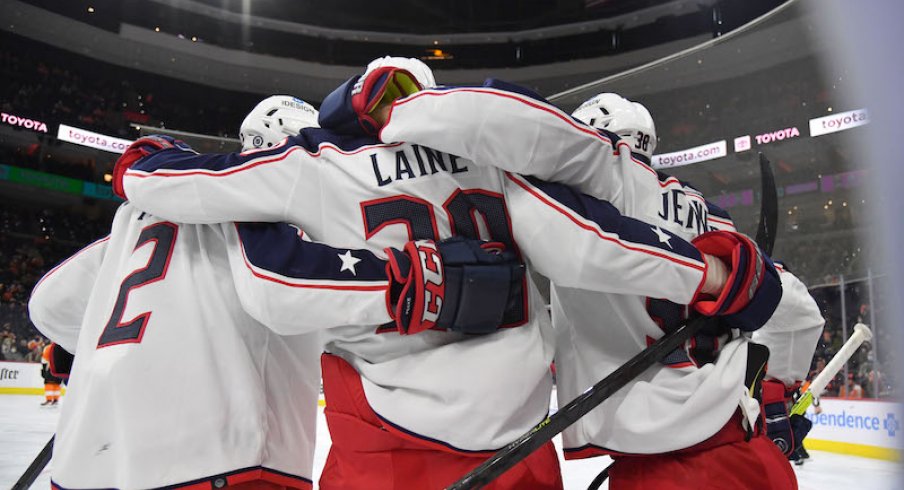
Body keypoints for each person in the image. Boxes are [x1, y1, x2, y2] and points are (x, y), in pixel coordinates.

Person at [114, 67, 779, 489]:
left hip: (385, 462)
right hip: (520, 454)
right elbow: (585, 243)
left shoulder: (309, 163)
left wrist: (142, 158)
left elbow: (180, 194)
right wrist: (713, 272)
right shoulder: (489, 159)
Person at [28, 96, 515, 489]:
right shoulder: (268, 212)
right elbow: (282, 284)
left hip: (86, 459)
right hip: (220, 456)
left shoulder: (131, 223)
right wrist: (427, 282)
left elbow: (47, 305)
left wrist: (140, 353)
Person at [370, 88, 824, 488]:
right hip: (750, 450)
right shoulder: (713, 214)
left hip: (667, 469)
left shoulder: (596, 191)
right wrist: (776, 395)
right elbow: (798, 309)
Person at [39, 341, 62, 406]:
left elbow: (44, 360)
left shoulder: (48, 347)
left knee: (49, 383)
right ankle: (56, 400)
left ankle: (49, 400)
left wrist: (43, 369)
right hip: (60, 369)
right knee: (57, 384)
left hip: (51, 368)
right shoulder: (63, 348)